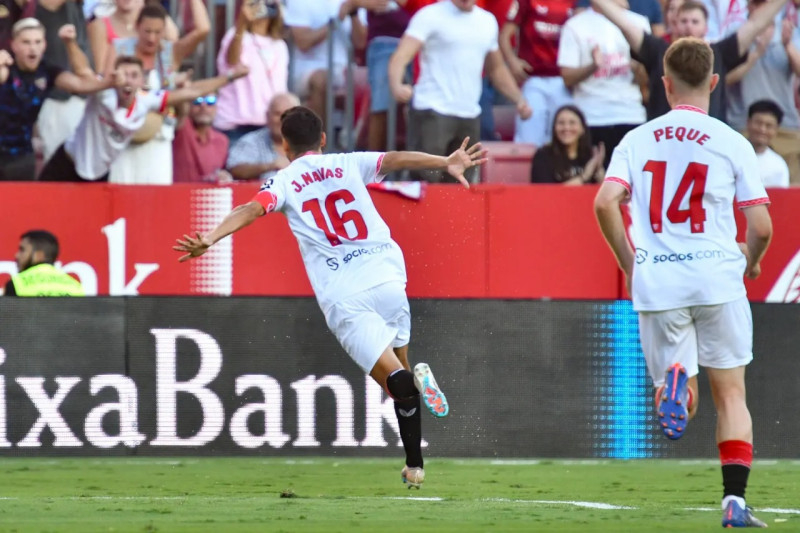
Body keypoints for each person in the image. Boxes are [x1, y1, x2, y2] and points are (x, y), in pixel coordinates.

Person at [174, 106, 485, 488]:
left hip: (345, 292)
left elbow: (252, 209)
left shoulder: (284, 181)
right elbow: (396, 158)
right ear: (322, 139)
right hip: (386, 271)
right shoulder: (347, 162)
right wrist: (445, 161)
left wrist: (210, 237)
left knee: (396, 385)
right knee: (400, 369)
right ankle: (413, 454)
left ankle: (416, 451)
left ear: (285, 144)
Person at [594, 37, 773, 527]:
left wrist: (631, 263)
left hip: (659, 281)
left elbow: (605, 202)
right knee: (732, 394)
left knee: (681, 397)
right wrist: (752, 262)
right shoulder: (731, 141)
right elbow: (760, 227)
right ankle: (734, 502)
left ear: (664, 84)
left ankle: (678, 388)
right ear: (714, 82)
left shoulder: (636, 139)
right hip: (717, 276)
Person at [38, 52, 248, 182]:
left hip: (100, 173)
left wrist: (229, 77)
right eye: (124, 74)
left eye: (134, 75)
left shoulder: (147, 100)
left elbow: (191, 92)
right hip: (68, 161)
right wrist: (70, 41)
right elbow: (82, 70)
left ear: (142, 81)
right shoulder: (104, 91)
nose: (128, 80)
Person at [388, 0, 531, 183]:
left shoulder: (487, 21)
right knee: (425, 180)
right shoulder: (429, 15)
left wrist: (518, 99)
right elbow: (401, 55)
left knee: (462, 183)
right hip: (431, 111)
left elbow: (496, 68)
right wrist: (396, 84)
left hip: (469, 114)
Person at [590, 0, 791, 122]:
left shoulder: (719, 52)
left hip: (708, 138)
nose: (688, 27)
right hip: (664, 138)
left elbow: (757, 23)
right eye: (683, 21)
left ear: (705, 27)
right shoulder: (658, 50)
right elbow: (624, 23)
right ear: (673, 24)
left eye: (695, 22)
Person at [0, 18, 120, 181]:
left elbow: (81, 83)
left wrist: (70, 44)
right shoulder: (6, 66)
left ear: (45, 45)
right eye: (26, 42)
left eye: (37, 42)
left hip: (21, 157)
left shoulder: (47, 71)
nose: (32, 48)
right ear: (13, 45)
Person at [105, 0, 210, 184]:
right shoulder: (119, 48)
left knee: (157, 201)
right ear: (137, 27)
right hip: (124, 139)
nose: (152, 38)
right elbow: (106, 86)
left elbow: (203, 30)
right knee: (120, 197)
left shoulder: (170, 53)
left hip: (159, 138)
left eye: (158, 32)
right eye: (147, 31)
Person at [557, 0, 650, 168]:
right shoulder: (575, 25)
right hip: (590, 117)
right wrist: (593, 66)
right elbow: (567, 77)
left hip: (630, 113)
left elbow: (649, 78)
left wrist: (639, 70)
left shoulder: (638, 22)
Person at [725, 0, 800, 184]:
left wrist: (788, 46)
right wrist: (756, 52)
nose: (761, 9)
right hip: (742, 125)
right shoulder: (734, 34)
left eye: (765, 3)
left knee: (792, 197)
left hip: (785, 126)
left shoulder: (790, 31)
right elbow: (725, 78)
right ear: (748, 7)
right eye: (756, 3)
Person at [499, 0, 575, 146]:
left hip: (563, 81)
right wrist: (513, 61)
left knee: (564, 139)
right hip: (533, 78)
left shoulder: (573, 3)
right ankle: (526, 169)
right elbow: (504, 36)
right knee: (529, 138)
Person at [214, 0, 289, 143]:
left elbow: (281, 88)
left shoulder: (280, 45)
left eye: (269, 3)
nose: (263, 6)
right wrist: (241, 23)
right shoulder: (235, 35)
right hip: (235, 124)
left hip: (267, 126)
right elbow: (231, 61)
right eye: (257, 3)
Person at [283, 0, 367, 126]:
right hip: (306, 68)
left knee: (369, 80)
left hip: (343, 68)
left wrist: (353, 13)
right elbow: (303, 43)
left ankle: (355, 139)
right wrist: (337, 20)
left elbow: (360, 42)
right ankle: (318, 141)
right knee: (322, 79)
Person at [226, 92, 299, 181]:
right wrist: (270, 166)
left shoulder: (311, 141)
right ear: (267, 116)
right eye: (277, 114)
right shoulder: (251, 141)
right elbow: (234, 169)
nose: (282, 120)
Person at [530, 105, 605, 184]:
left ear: (583, 129)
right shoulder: (543, 155)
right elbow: (545, 194)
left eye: (572, 123)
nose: (566, 128)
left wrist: (600, 175)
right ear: (554, 128)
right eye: (561, 123)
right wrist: (584, 177)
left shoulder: (591, 155)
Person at [4, 230, 84, 296]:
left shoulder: (17, 284)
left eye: (22, 250)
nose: (17, 255)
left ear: (39, 255)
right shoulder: (76, 286)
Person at [172, 92, 230, 183]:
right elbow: (181, 110)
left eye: (210, 102)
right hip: (176, 194)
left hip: (206, 195)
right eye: (197, 102)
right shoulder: (183, 129)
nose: (203, 106)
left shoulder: (222, 141)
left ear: (217, 108)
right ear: (189, 107)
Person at [745, 99, 790, 187]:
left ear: (776, 129)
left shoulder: (778, 165)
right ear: (748, 123)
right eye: (758, 123)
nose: (762, 129)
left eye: (768, 125)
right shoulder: (732, 155)